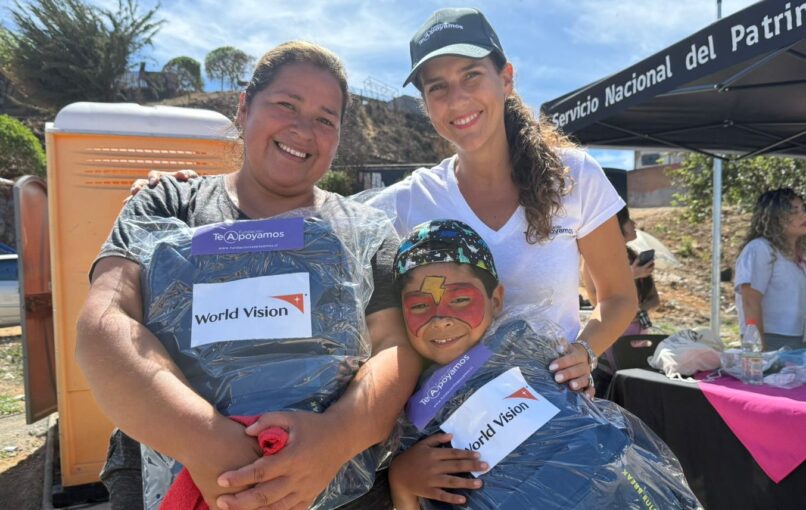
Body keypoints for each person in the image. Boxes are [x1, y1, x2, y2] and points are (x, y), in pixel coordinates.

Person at [132, 8, 637, 395]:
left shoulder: (574, 176)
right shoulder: (404, 204)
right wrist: (190, 196)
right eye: (437, 88)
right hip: (448, 430)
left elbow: (618, 297)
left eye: (472, 77)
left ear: (505, 79)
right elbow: (303, 214)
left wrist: (584, 351)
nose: (457, 100)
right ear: (425, 103)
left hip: (556, 409)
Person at [76, 41, 421, 510]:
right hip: (173, 477)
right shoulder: (167, 205)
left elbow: (394, 348)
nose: (303, 129)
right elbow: (105, 323)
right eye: (286, 105)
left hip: (330, 487)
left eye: (325, 119)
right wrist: (208, 442)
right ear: (243, 108)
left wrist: (333, 438)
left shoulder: (365, 232)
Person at [387, 219, 701, 510]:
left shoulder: (531, 352)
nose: (441, 319)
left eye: (459, 300)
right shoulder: (408, 411)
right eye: (419, 305)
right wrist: (401, 481)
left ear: (496, 300)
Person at [734, 188, 806, 350]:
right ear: (774, 217)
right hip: (771, 340)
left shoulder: (800, 255)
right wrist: (760, 350)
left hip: (799, 340)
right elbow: (750, 302)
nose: (803, 215)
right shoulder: (760, 249)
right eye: (793, 211)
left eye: (803, 209)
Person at [582, 206, 659, 336]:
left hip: (639, 329)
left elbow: (655, 300)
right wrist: (631, 275)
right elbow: (595, 298)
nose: (633, 223)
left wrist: (639, 309)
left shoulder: (632, 256)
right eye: (627, 219)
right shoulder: (594, 257)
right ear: (616, 224)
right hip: (611, 332)